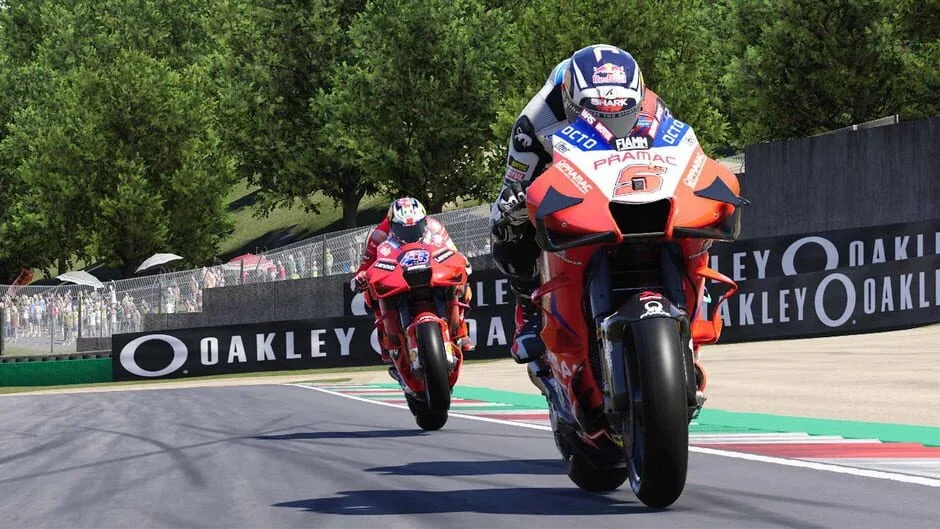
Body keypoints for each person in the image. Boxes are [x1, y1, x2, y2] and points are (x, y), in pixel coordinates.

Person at [490, 44, 689, 373]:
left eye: (622, 113)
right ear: (570, 101)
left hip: (632, 181)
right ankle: (528, 307)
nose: (609, 122)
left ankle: (694, 286)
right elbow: (509, 191)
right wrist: (517, 200)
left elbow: (686, 156)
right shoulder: (534, 124)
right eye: (596, 113)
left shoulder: (654, 107)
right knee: (508, 223)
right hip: (568, 183)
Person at [350, 198, 473, 381]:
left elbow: (453, 253)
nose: (410, 233)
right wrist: (361, 278)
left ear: (424, 221)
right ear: (392, 225)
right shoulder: (379, 235)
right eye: (403, 229)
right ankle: (390, 343)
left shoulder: (435, 227)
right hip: (398, 279)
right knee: (371, 294)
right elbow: (366, 267)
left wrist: (462, 264)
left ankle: (460, 328)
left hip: (431, 274)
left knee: (461, 282)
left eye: (416, 227)